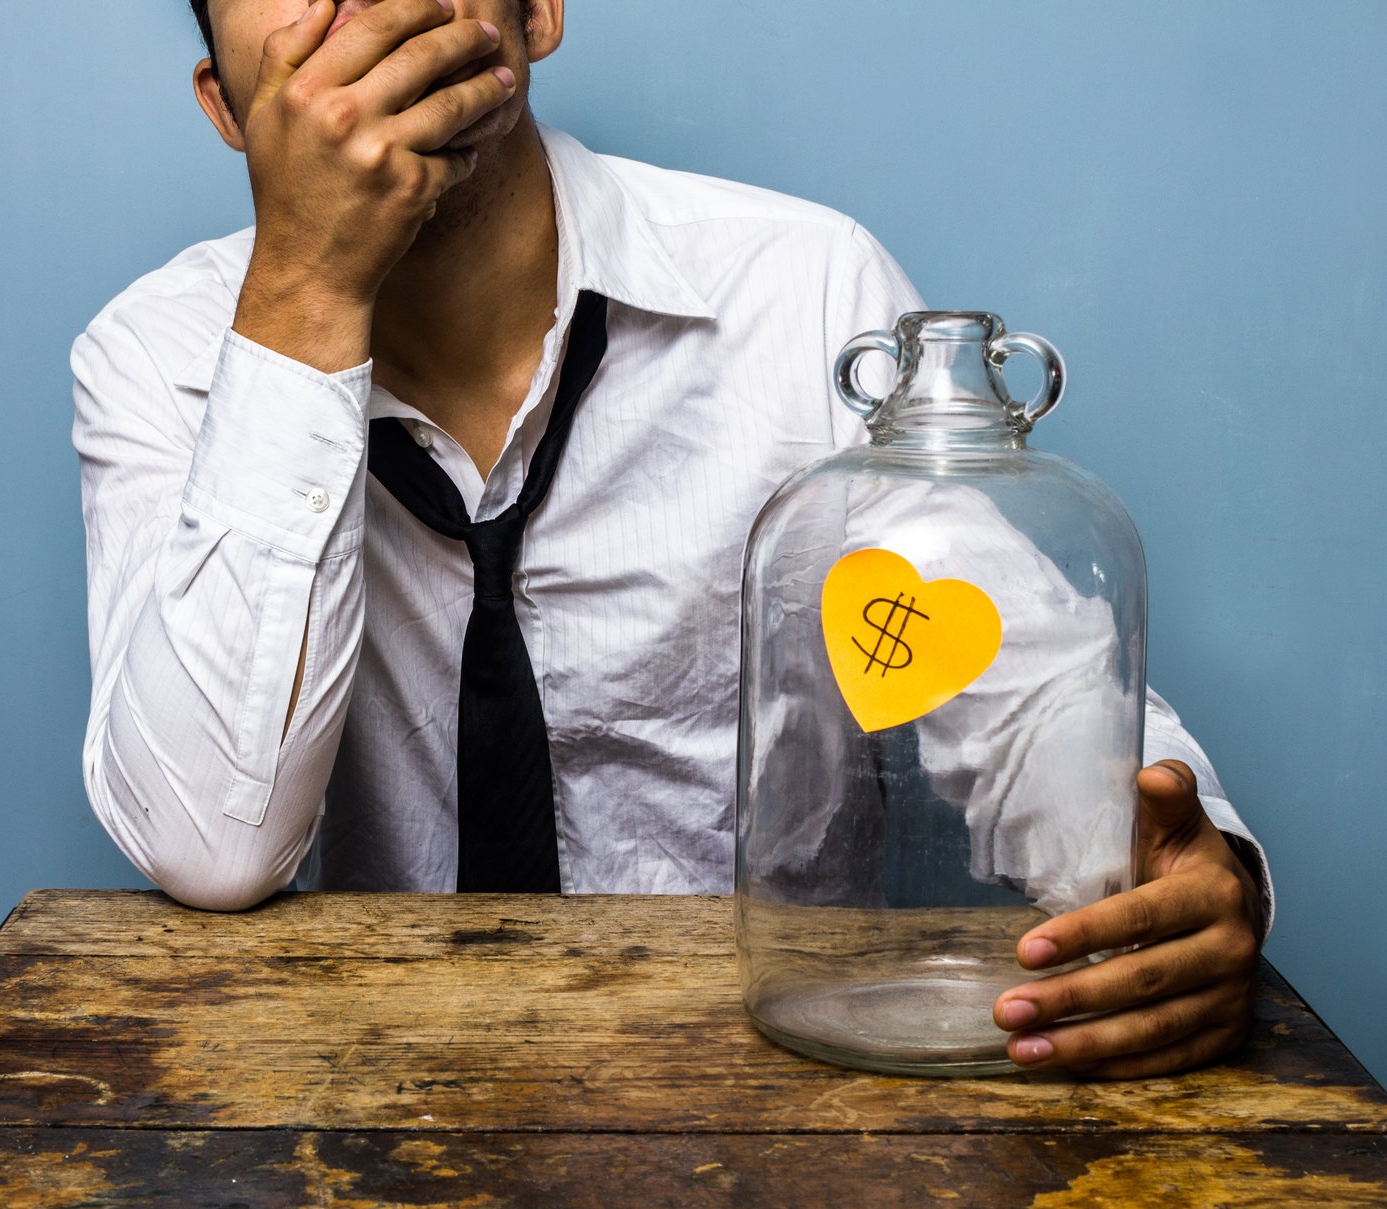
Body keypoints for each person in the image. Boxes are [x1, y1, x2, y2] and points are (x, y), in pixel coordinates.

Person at [71, 0, 1272, 1078]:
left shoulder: (803, 290)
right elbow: (210, 846)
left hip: (786, 1079)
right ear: (226, 107)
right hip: (373, 1096)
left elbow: (1010, 686)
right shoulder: (159, 359)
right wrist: (308, 293)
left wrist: (1167, 870)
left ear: (533, 13)